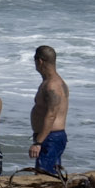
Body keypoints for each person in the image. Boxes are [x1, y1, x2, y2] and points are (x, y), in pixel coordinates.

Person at [29, 45, 71, 176]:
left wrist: (38, 142)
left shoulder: (52, 85)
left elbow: (51, 115)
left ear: (40, 61)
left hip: (50, 137)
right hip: (52, 137)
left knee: (44, 176)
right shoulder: (54, 82)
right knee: (52, 175)